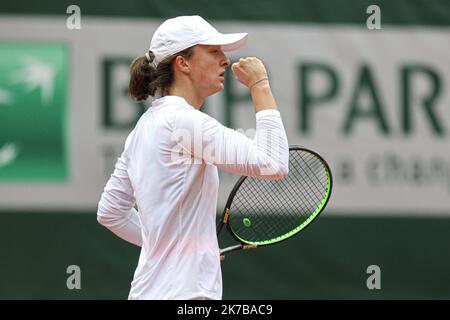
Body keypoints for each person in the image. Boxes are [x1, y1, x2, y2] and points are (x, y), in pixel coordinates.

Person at [97, 15, 289, 300]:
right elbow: (273, 163)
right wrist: (260, 85)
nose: (225, 60)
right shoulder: (182, 122)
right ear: (182, 63)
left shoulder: (143, 129)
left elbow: (110, 213)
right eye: (213, 52)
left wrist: (186, 247)